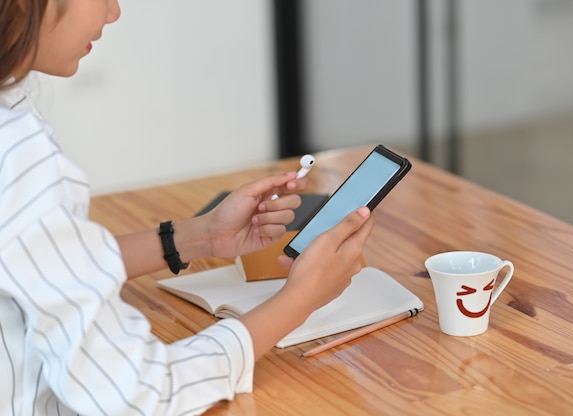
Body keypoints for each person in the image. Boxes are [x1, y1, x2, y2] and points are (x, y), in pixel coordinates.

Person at [0, 0, 375, 414]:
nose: (113, 13)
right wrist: (301, 299)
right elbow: (138, 395)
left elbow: (39, 265)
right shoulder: (20, 157)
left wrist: (198, 237)